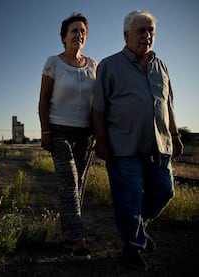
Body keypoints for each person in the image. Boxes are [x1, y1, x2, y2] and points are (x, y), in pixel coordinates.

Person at [92, 10, 183, 270]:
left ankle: (138, 227)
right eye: (141, 30)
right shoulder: (109, 65)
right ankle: (132, 248)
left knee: (164, 192)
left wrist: (175, 136)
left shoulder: (161, 66)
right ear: (126, 34)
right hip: (124, 146)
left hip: (160, 144)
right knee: (128, 198)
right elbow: (98, 108)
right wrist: (101, 141)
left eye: (151, 30)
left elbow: (169, 105)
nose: (147, 35)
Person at [38, 13, 96, 259]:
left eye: (82, 31)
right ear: (64, 37)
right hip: (59, 130)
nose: (79, 35)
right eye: (74, 31)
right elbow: (43, 100)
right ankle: (78, 241)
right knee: (70, 184)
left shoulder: (93, 65)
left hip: (85, 134)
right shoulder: (53, 63)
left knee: (78, 187)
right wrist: (46, 132)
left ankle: (66, 234)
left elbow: (99, 102)